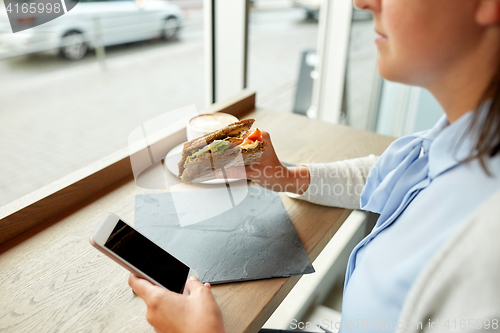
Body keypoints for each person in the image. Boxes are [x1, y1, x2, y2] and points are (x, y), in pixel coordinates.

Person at [128, 0, 500, 332]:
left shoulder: (485, 256)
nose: (362, 3)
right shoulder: (462, 139)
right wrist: (287, 177)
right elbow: (384, 175)